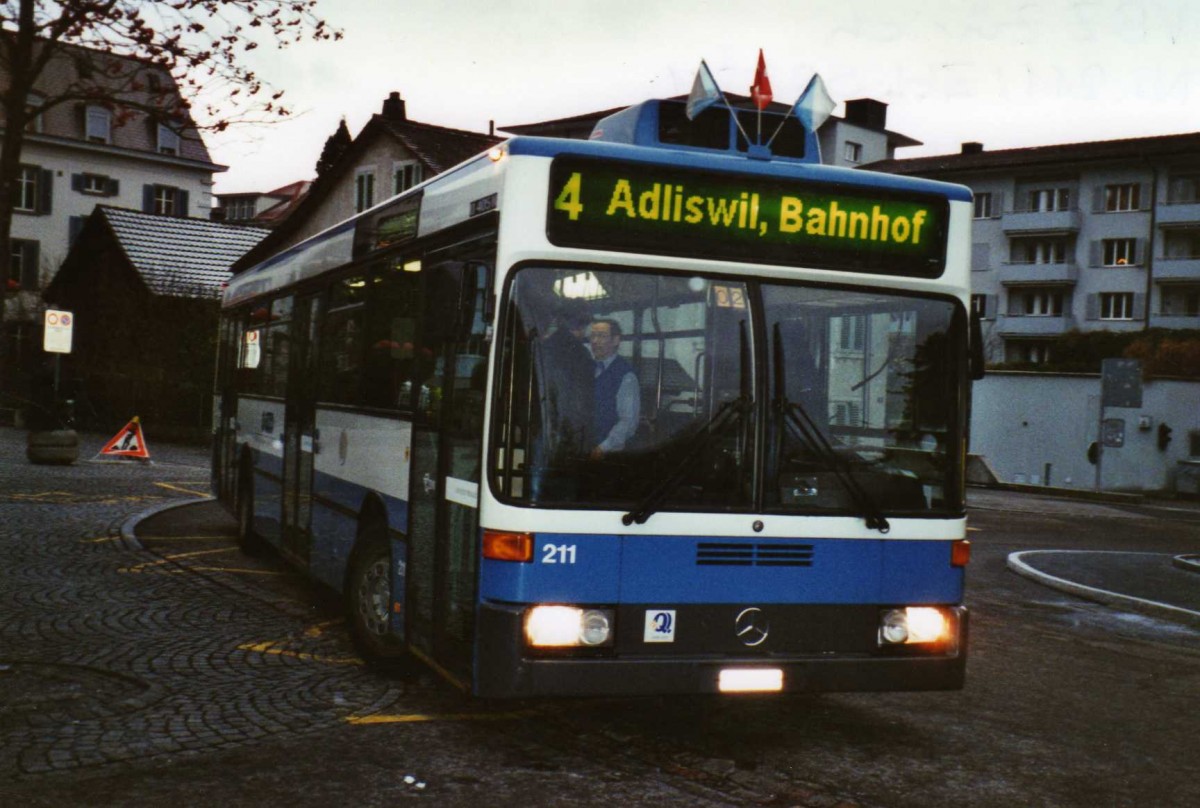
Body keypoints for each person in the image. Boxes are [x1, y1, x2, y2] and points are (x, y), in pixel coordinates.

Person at [530, 299, 593, 499]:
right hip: (569, 429)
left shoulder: (542, 347)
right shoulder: (582, 354)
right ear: (583, 324)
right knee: (565, 484)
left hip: (542, 424)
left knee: (538, 479)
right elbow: (582, 399)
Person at [589, 318, 639, 458]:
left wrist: (603, 447)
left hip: (607, 453)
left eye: (602, 336)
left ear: (616, 340)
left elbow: (628, 421)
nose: (595, 341)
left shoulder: (626, 375)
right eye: (592, 336)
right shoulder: (587, 368)